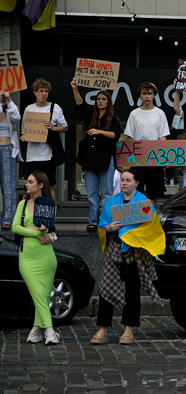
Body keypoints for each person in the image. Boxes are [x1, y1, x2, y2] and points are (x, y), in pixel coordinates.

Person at [91, 169, 165, 345]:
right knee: (106, 287)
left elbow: (151, 228)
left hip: (135, 252)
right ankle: (103, 329)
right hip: (115, 249)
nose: (124, 183)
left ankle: (129, 329)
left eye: (128, 180)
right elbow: (102, 224)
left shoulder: (144, 203)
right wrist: (110, 228)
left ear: (137, 183)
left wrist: (132, 234)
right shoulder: (112, 202)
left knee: (132, 290)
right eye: (122, 180)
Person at [12, 171, 60, 345]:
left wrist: (42, 233)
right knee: (38, 293)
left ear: (41, 185)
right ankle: (50, 330)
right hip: (27, 257)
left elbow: (49, 232)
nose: (27, 184)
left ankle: (35, 330)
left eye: (31, 182)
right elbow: (15, 227)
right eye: (27, 181)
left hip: (46, 256)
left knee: (44, 295)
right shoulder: (22, 204)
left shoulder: (49, 205)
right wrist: (35, 233)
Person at [71, 79, 122, 232]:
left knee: (106, 193)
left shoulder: (113, 119)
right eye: (98, 99)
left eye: (103, 99)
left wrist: (99, 131)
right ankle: (92, 220)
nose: (100, 101)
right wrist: (75, 88)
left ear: (108, 102)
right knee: (92, 194)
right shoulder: (91, 117)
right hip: (90, 160)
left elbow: (116, 135)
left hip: (106, 160)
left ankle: (105, 221)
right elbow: (80, 105)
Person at [123, 82, 170, 206]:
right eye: (144, 93)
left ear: (154, 95)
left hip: (154, 157)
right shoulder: (134, 114)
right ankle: (136, 221)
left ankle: (150, 221)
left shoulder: (160, 113)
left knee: (152, 192)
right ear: (140, 96)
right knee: (135, 190)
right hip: (138, 157)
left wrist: (164, 157)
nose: (147, 96)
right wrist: (126, 159)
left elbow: (162, 137)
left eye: (150, 93)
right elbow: (129, 137)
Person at [21, 79, 68, 200]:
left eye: (46, 91)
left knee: (50, 185)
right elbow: (24, 130)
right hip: (32, 155)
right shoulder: (29, 109)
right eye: (41, 91)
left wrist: (53, 128)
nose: (44, 93)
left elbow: (65, 127)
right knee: (32, 186)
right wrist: (24, 136)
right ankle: (32, 213)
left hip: (48, 155)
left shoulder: (54, 107)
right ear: (35, 92)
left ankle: (51, 213)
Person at [0, 90, 21, 230]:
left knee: (8, 184)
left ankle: (8, 219)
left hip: (7, 148)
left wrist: (9, 100)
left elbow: (17, 117)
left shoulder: (10, 111)